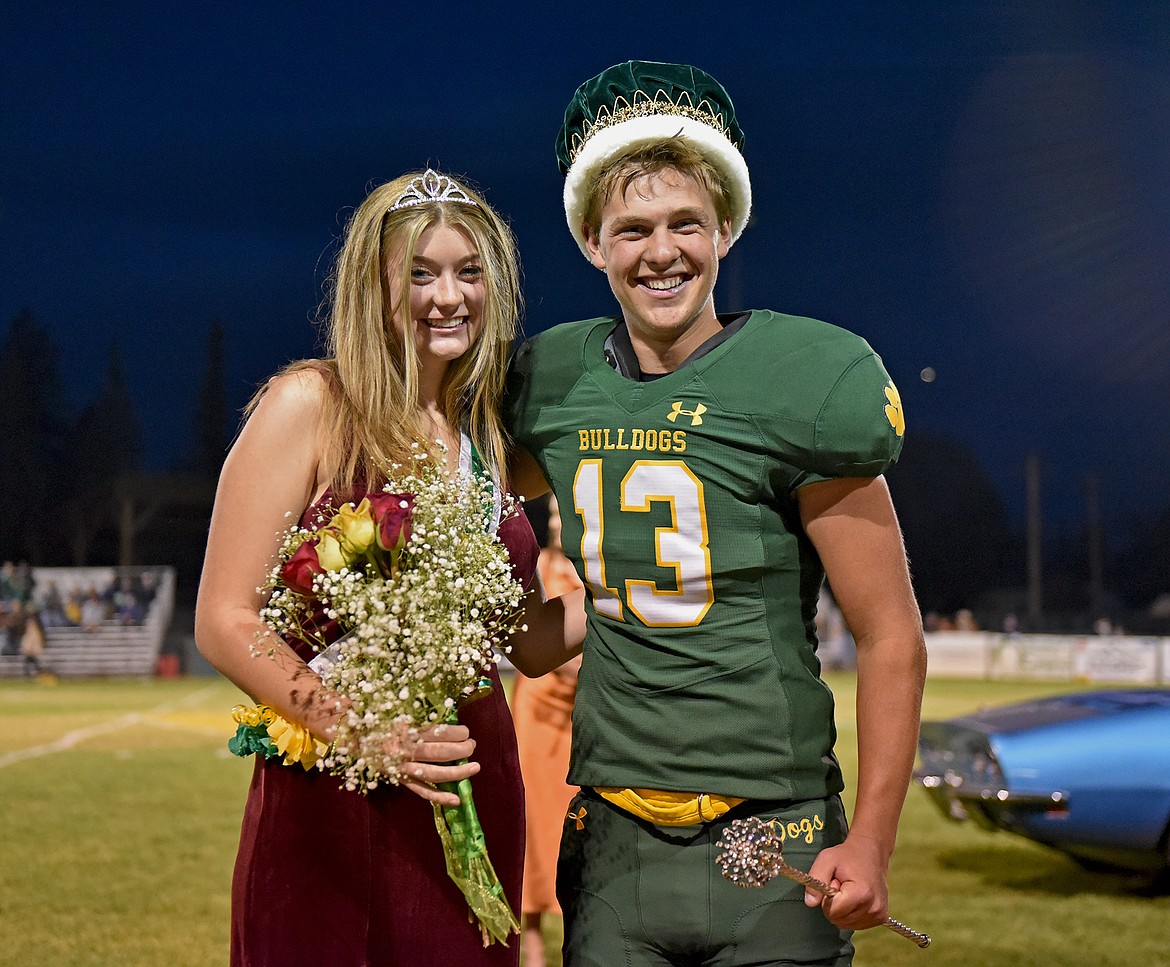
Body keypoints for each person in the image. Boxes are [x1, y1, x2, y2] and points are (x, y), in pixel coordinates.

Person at [505, 61, 927, 967]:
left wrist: (876, 839)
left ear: (725, 228)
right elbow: (488, 529)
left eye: (684, 223)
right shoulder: (551, 383)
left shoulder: (803, 380)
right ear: (592, 242)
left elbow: (891, 632)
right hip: (613, 841)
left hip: (771, 835)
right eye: (632, 229)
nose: (662, 251)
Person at [196, 169, 582, 967]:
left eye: (469, 271)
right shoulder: (312, 404)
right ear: (374, 287)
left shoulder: (489, 446)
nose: (450, 296)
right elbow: (224, 622)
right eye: (421, 272)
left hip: (475, 786)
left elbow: (530, 646)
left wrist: (634, 595)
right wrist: (367, 731)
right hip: (333, 795)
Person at [510, 495, 583, 967]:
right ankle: (530, 941)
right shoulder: (543, 566)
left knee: (571, 827)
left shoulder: (588, 572)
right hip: (537, 717)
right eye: (552, 512)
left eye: (565, 512)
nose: (556, 520)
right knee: (533, 828)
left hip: (580, 720)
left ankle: (576, 936)